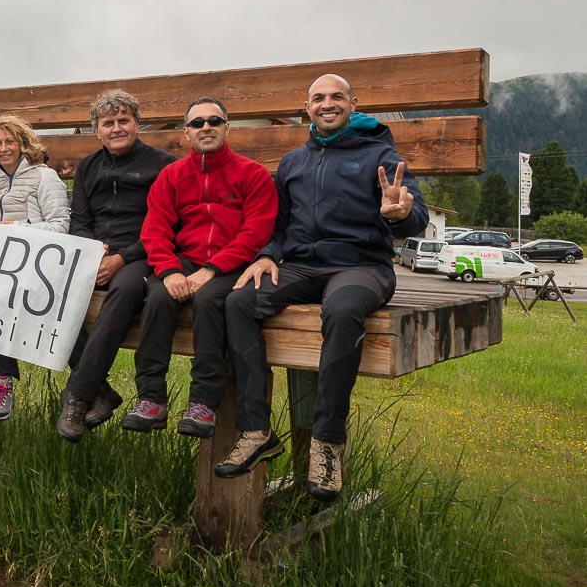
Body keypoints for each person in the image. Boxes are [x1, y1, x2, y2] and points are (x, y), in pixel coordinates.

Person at [220, 74, 427, 502]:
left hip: (361, 267)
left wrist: (397, 214)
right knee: (238, 300)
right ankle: (256, 429)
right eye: (319, 98)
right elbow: (275, 226)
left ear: (354, 103)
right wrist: (265, 253)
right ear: (307, 107)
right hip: (301, 268)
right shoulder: (294, 161)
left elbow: (415, 217)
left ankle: (327, 443)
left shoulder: (381, 155)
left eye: (337, 97)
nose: (327, 104)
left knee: (342, 310)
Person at [122, 98, 277, 439]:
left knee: (209, 301)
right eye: (197, 123)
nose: (205, 127)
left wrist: (211, 269)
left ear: (226, 127)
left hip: (233, 263)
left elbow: (256, 232)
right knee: (159, 297)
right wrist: (169, 271)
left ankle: (203, 402)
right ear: (186, 133)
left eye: (214, 120)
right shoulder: (172, 175)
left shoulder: (252, 174)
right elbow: (155, 230)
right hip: (185, 261)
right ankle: (151, 398)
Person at [55, 90, 176, 443]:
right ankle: (101, 391)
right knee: (46, 294)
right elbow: (80, 221)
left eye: (124, 120)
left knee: (124, 289)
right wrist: (93, 254)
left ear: (137, 124)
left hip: (143, 254)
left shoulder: (163, 165)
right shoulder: (88, 168)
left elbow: (165, 222)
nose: (117, 128)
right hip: (95, 254)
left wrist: (122, 257)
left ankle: (78, 395)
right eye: (109, 123)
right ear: (98, 130)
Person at [0, 115, 70, 420]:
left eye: (10, 141)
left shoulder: (45, 177)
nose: (4, 149)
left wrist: (17, 227)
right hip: (0, 266)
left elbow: (61, 227)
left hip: (39, 266)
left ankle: (85, 383)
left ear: (23, 143)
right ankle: (0, 383)